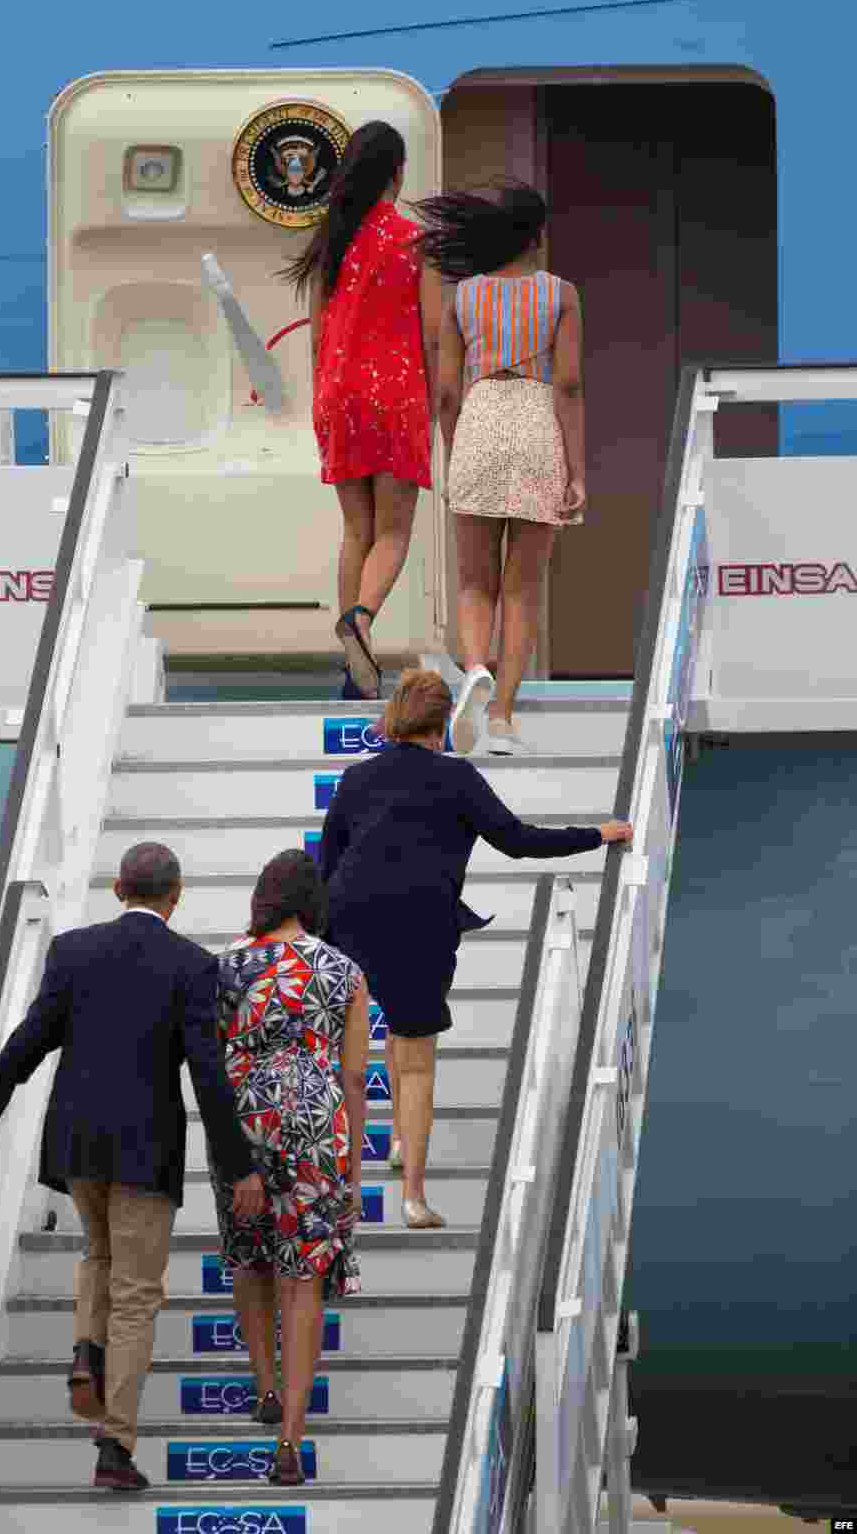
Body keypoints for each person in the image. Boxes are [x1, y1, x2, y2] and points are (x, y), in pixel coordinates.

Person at [0, 842, 264, 1493]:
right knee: (138, 1296)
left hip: (77, 1143)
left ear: (120, 889)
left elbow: (36, 1031)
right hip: (146, 1149)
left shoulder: (72, 950)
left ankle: (84, 1354)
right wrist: (240, 1167)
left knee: (98, 1252)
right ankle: (115, 1446)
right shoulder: (193, 966)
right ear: (174, 897)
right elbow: (207, 1074)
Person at [319, 669, 632, 1228]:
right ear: (442, 726)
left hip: (350, 920)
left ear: (395, 717)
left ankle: (389, 1149)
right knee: (415, 1059)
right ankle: (413, 1197)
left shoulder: (355, 778)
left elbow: (327, 868)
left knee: (387, 1031)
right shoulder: (457, 776)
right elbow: (517, 841)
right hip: (419, 921)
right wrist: (596, 834)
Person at [211, 850, 369, 1487]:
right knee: (302, 1278)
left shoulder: (224, 967)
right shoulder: (345, 970)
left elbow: (207, 1059)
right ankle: (291, 1441)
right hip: (315, 1125)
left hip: (243, 1120)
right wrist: (354, 1170)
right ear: (314, 903)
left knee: (250, 1254)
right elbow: (356, 1074)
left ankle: (263, 1387)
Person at [414, 182, 585, 755]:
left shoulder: (462, 298)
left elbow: (444, 391)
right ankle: (505, 717)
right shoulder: (561, 294)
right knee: (524, 588)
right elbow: (568, 385)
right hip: (538, 423)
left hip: (480, 421)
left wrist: (455, 445)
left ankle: (475, 670)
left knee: (473, 580)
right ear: (537, 237)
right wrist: (576, 469)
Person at [282, 120, 441, 701]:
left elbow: (318, 336)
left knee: (356, 529)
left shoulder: (332, 238)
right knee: (395, 531)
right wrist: (440, 404)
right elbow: (429, 338)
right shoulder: (414, 242)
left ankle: (355, 673)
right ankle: (362, 620)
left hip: (339, 393)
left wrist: (323, 398)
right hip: (397, 393)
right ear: (397, 173)